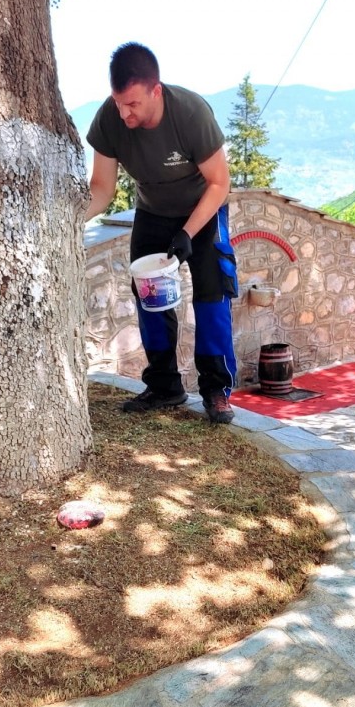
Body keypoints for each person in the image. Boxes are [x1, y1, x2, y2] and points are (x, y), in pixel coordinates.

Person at [85, 43, 238, 425]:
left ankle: (216, 390)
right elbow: (101, 188)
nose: (124, 112)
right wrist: (69, 221)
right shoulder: (110, 119)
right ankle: (165, 385)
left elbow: (220, 183)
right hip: (153, 212)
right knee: (148, 294)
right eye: (118, 102)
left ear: (156, 91)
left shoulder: (190, 114)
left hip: (203, 209)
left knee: (212, 291)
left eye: (133, 104)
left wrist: (187, 233)